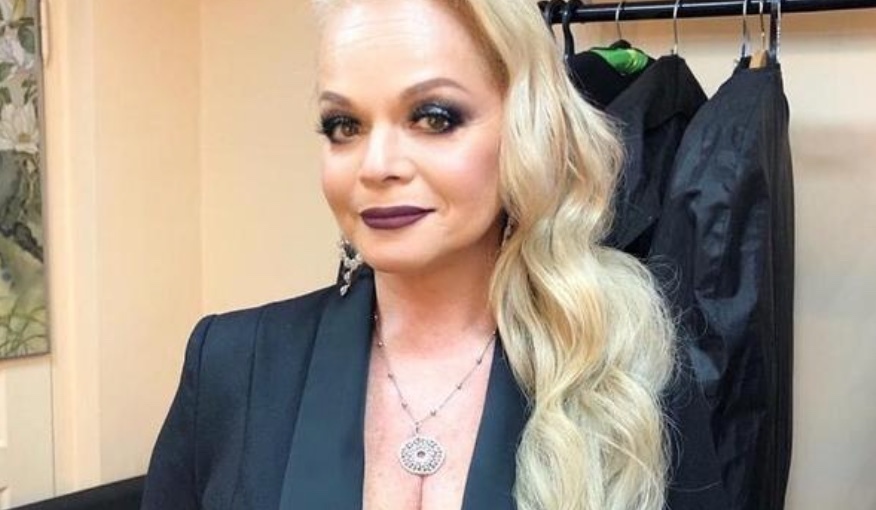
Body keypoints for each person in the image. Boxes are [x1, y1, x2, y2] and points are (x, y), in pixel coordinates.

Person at [142, 0, 729, 509]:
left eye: (434, 117)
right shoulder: (231, 364)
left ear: (525, 127)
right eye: (344, 125)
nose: (376, 166)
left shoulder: (625, 364)